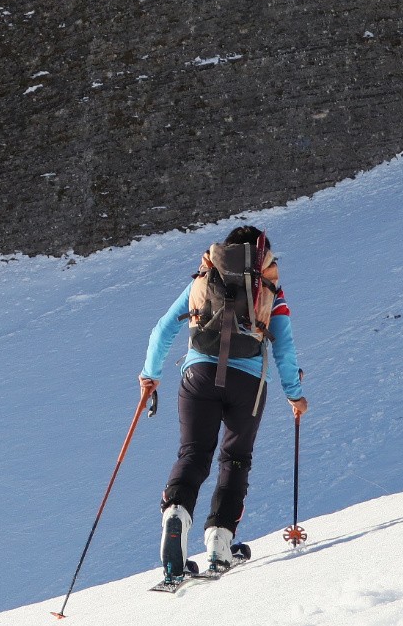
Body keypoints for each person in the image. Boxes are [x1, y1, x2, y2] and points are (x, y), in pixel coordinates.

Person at [138, 224, 307, 579]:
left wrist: (150, 376)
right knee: (235, 459)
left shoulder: (204, 278)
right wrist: (295, 394)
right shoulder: (270, 289)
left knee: (193, 454)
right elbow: (284, 347)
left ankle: (175, 514)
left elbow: (163, 329)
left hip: (198, 375)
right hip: (249, 384)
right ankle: (220, 542)